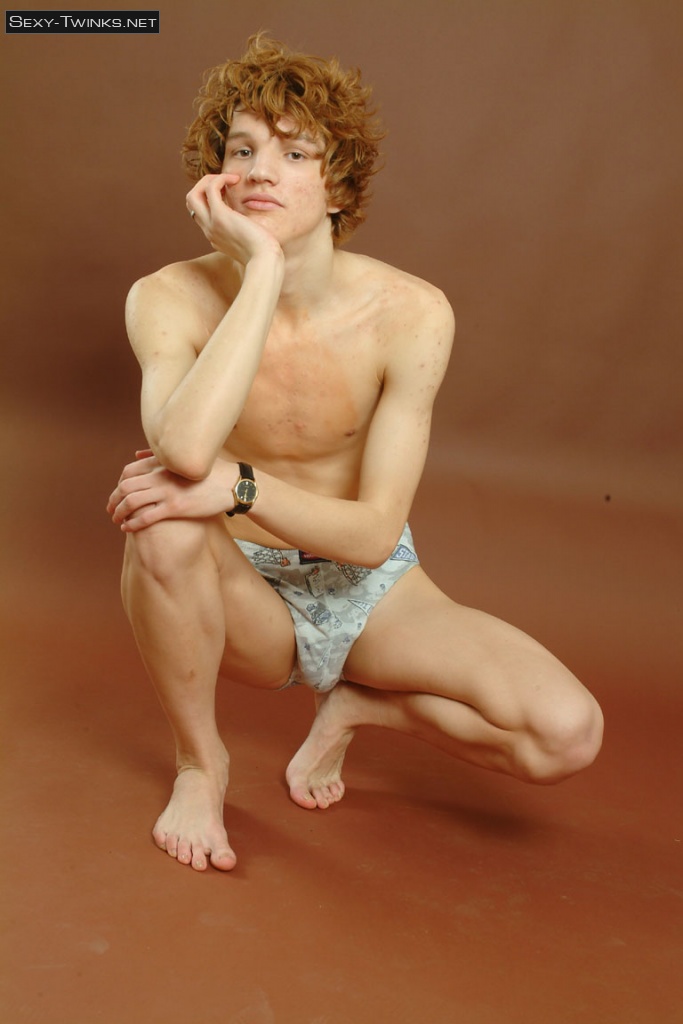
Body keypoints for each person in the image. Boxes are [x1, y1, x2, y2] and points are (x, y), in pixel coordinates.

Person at [107, 33, 603, 873]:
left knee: (565, 734)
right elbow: (184, 451)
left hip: (371, 592)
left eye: (294, 153)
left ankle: (358, 708)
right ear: (214, 178)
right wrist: (260, 271)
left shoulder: (411, 313)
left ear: (337, 184)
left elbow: (373, 535)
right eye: (241, 151)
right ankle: (201, 763)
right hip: (240, 589)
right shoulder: (167, 297)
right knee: (160, 515)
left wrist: (239, 485)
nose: (260, 172)